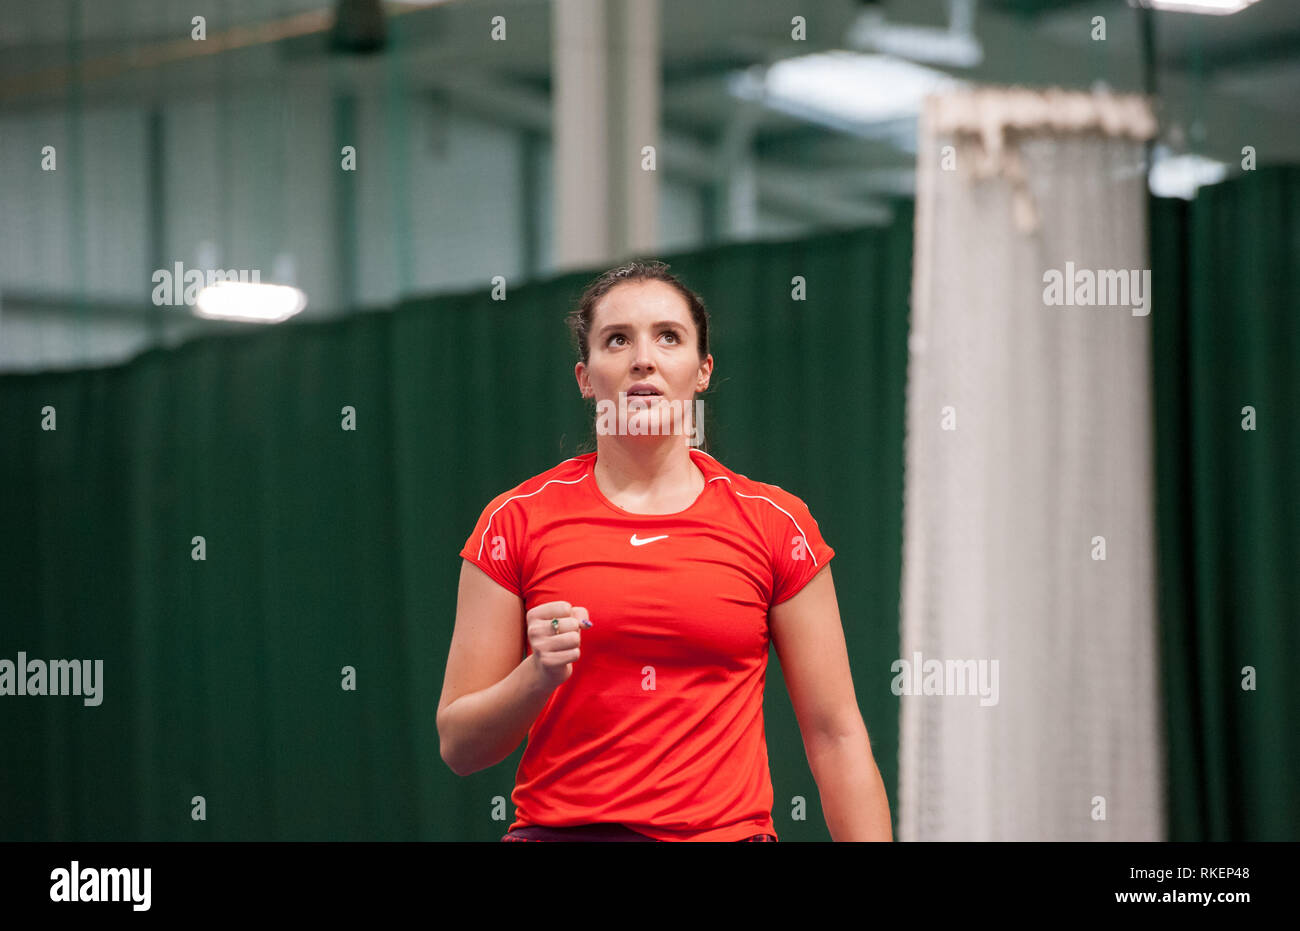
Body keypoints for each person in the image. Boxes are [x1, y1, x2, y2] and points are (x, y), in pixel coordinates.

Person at [437, 260, 892, 842]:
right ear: (585, 376)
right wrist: (537, 676)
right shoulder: (514, 520)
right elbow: (460, 747)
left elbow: (836, 734)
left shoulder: (776, 522)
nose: (642, 359)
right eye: (617, 339)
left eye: (668, 337)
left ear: (702, 371)